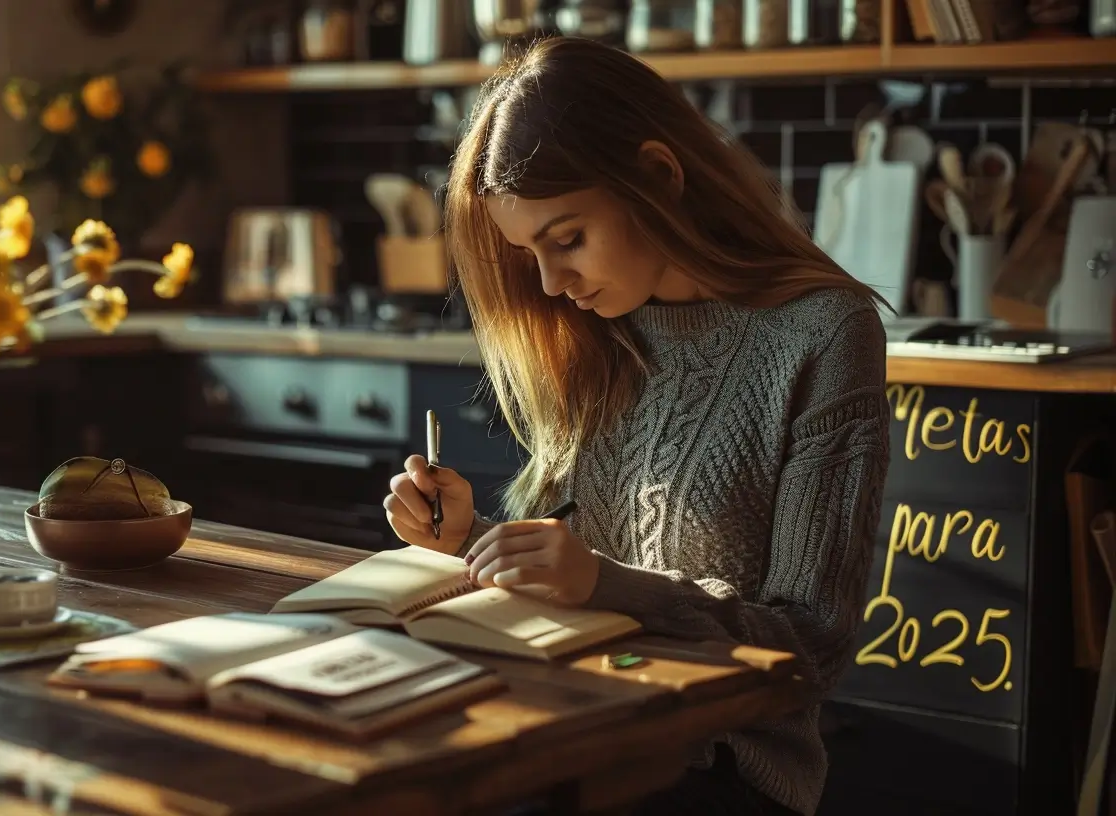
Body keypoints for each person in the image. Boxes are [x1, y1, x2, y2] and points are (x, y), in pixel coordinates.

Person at [382, 36, 891, 816]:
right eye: (530, 254)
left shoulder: (823, 333)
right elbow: (574, 579)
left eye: (567, 239)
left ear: (657, 177)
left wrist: (599, 581)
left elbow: (812, 645)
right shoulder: (601, 330)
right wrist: (473, 540)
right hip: (569, 727)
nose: (551, 284)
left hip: (720, 770)